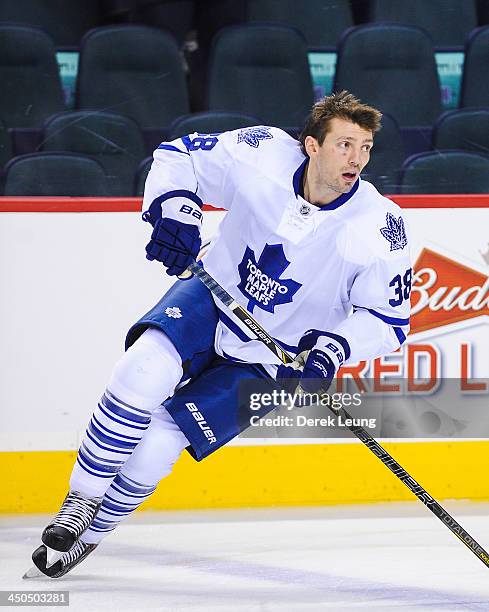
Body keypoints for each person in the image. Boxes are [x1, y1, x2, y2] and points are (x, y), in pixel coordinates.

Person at [30, 91, 411, 578]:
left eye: (365, 147)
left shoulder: (381, 226)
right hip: (211, 298)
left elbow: (388, 320)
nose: (357, 158)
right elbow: (179, 156)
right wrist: (177, 212)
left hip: (278, 358)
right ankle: (78, 503)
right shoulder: (264, 152)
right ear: (311, 146)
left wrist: (333, 350)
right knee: (141, 371)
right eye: (345, 144)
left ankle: (94, 533)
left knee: (160, 444)